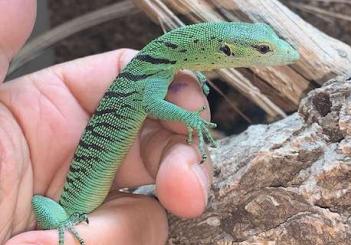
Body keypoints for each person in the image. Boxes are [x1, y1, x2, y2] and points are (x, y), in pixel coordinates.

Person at [1, 1, 212, 244]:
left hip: (78, 199)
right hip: (68, 209)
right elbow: (151, 105)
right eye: (261, 50)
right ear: (225, 51)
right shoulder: (155, 71)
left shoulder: (158, 68)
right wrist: (190, 118)